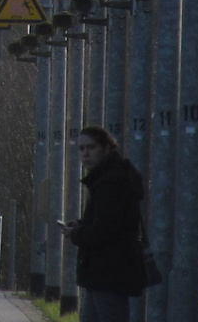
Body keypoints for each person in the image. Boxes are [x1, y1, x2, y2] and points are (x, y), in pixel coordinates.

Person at [62, 125, 147, 322]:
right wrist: (81, 225)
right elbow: (105, 220)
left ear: (106, 148)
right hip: (100, 275)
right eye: (81, 149)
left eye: (91, 148)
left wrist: (75, 233)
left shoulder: (112, 182)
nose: (85, 154)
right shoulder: (107, 179)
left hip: (109, 274)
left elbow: (104, 231)